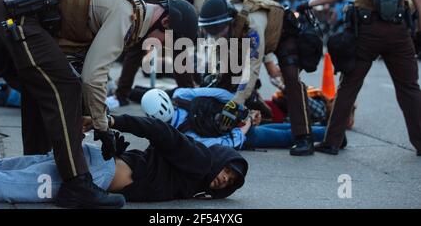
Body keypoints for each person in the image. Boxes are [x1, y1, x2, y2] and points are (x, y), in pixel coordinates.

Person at [0, 0, 198, 208]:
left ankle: (36, 163)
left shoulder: (131, 12)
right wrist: (103, 128)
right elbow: (92, 77)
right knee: (65, 88)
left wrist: (94, 116)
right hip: (18, 13)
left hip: (16, 9)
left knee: (46, 89)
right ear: (165, 22)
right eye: (166, 42)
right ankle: (77, 184)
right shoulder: (126, 16)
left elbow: (81, 70)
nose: (160, 48)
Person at [301, 0, 421, 156]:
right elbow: (418, 1)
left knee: (349, 87)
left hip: (367, 33)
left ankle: (332, 142)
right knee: (409, 88)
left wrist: (309, 3)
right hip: (399, 33)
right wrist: (417, 33)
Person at [0, 114, 248, 204]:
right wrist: (111, 121)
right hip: (96, 175)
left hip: (97, 161)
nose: (225, 178)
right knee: (11, 186)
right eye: (227, 171)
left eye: (231, 181)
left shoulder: (195, 177)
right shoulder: (200, 160)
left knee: (6, 168)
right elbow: (161, 130)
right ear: (219, 159)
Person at [198, 0, 323, 156]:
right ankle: (233, 120)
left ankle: (304, 137)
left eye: (217, 30)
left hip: (283, 35)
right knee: (228, 76)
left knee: (292, 81)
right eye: (210, 30)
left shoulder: (252, 25)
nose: (215, 34)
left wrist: (237, 101)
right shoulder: (222, 26)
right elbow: (218, 59)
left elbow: (252, 69)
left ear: (230, 20)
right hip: (252, 40)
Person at [116, 0, 219, 106]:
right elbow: (200, 7)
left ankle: (121, 95)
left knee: (136, 50)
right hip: (167, 7)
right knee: (180, 52)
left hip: (143, 0)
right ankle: (187, 96)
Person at [139, 88, 330, 150]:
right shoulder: (182, 95)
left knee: (288, 137)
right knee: (289, 128)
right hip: (237, 118)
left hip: (244, 135)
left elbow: (223, 143)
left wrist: (244, 127)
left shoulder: (180, 136)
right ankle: (332, 132)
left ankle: (330, 135)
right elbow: (220, 94)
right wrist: (242, 112)